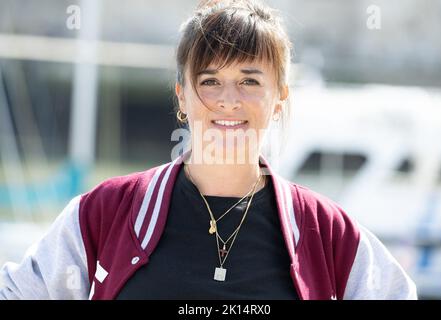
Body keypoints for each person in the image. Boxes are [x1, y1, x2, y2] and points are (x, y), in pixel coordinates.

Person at [0, 0, 416, 300]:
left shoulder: (327, 233)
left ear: (280, 97)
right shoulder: (107, 212)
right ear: (182, 95)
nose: (228, 99)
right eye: (209, 80)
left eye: (250, 81)